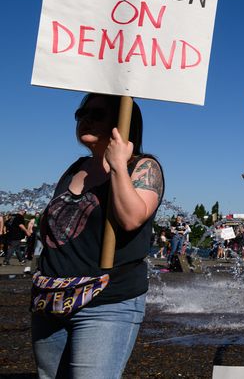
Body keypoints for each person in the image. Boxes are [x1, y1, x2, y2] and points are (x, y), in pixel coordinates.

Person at [32, 93, 164, 378]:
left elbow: (131, 219)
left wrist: (117, 165)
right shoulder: (75, 168)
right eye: (81, 114)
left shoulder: (143, 167)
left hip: (106, 302)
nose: (86, 119)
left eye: (97, 114)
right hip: (51, 298)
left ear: (122, 123)